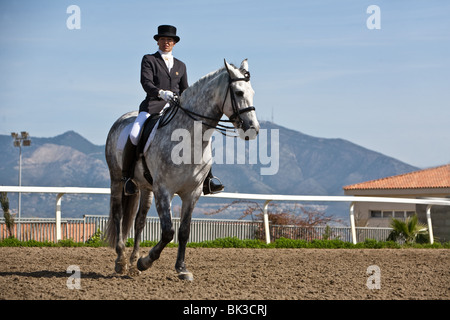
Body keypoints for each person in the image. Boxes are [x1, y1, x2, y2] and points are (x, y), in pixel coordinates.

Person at [122, 25, 224, 196]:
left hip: (177, 108)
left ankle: (208, 179)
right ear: (158, 41)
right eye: (163, 39)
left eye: (169, 40)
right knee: (134, 133)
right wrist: (160, 93)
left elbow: (185, 89)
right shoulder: (149, 59)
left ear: (174, 43)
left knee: (200, 133)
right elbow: (146, 82)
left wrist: (187, 101)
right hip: (153, 105)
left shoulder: (181, 65)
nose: (166, 42)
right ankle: (128, 177)